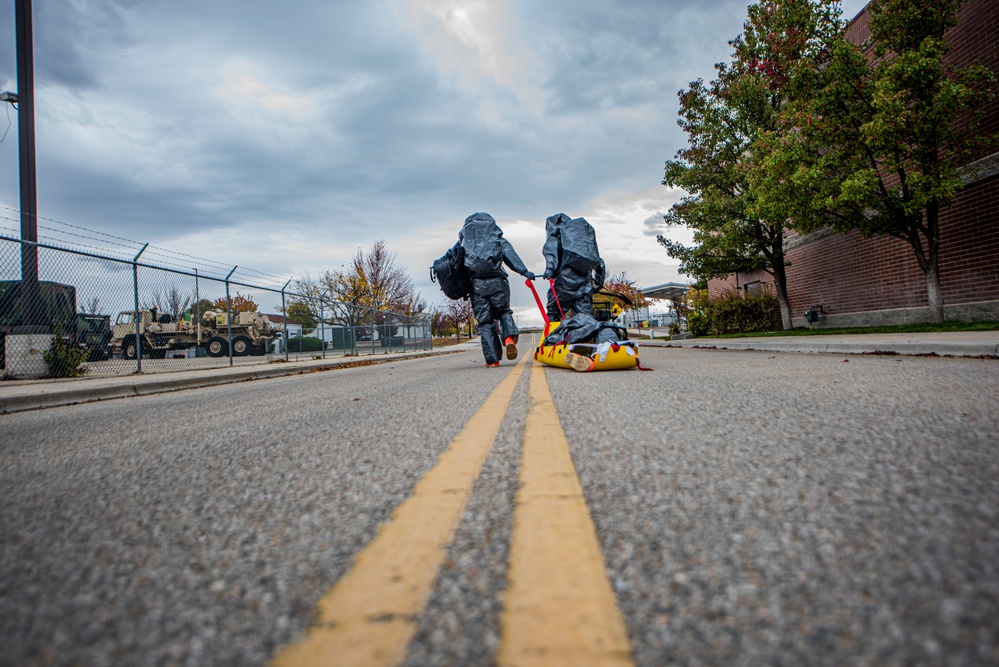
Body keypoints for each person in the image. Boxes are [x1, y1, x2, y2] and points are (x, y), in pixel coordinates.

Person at [459, 212, 536, 367]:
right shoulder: (496, 237)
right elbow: (511, 257)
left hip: (477, 285)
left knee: (485, 322)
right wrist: (525, 272)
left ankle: (493, 359)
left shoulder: (464, 241)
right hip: (498, 282)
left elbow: (455, 263)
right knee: (503, 312)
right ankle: (508, 339)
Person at [541, 213, 605, 322]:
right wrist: (599, 283)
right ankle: (587, 338)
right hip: (585, 285)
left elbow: (552, 255)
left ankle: (553, 337)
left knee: (553, 313)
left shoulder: (555, 238)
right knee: (586, 318)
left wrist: (549, 270)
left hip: (564, 285)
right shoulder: (583, 242)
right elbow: (600, 263)